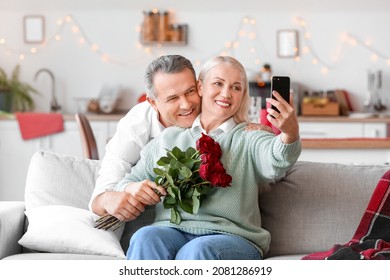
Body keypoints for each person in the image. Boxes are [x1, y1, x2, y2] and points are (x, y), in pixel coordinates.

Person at [114, 55, 301, 260]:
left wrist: (289, 134)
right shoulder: (169, 138)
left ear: (242, 96)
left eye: (236, 87)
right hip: (172, 230)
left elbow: (275, 160)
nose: (226, 93)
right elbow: (126, 182)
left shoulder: (250, 136)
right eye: (218, 83)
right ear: (200, 87)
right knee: (146, 237)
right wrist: (131, 188)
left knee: (197, 250)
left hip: (233, 237)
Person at [89, 55, 201, 219]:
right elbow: (99, 199)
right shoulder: (136, 125)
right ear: (153, 103)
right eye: (173, 98)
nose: (186, 104)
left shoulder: (213, 108)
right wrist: (116, 194)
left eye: (190, 91)